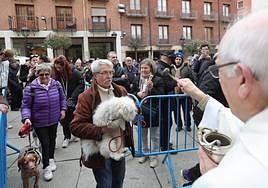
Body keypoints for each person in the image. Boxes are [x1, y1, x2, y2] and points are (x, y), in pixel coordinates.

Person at [177, 9, 268, 188]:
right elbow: (232, 120)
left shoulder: (224, 180)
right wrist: (197, 93)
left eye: (218, 69)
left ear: (242, 79)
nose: (217, 75)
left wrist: (213, 176)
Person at [70, 59, 134, 188]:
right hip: (99, 150)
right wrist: (102, 130)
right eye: (104, 73)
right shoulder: (86, 96)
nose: (109, 76)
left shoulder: (120, 91)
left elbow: (129, 116)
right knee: (105, 184)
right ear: (95, 75)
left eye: (111, 72)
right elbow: (76, 127)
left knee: (118, 182)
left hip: (120, 146)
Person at [21, 63, 67, 181]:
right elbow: (25, 106)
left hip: (54, 119)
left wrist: (63, 110)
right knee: (45, 143)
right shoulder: (31, 88)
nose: (45, 77)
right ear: (37, 75)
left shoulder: (56, 85)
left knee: (52, 140)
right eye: (41, 75)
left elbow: (62, 99)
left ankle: (51, 159)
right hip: (39, 122)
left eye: (47, 74)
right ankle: (46, 166)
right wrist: (26, 118)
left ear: (50, 73)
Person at [132, 58, 165, 168]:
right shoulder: (137, 79)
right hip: (140, 111)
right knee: (142, 135)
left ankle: (154, 156)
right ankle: (144, 153)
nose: (143, 70)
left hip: (153, 111)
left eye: (145, 68)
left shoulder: (158, 80)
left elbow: (161, 95)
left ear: (151, 68)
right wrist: (137, 93)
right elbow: (131, 92)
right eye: (141, 68)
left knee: (154, 136)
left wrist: (151, 89)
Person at [52, 55, 85, 148]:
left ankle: (74, 133)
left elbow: (81, 83)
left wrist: (73, 97)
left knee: (72, 117)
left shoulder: (74, 72)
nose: (58, 69)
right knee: (63, 119)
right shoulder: (56, 74)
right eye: (56, 67)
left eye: (59, 67)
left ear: (64, 66)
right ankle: (67, 137)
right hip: (62, 99)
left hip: (72, 98)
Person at [155, 51, 177, 151]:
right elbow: (166, 85)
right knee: (166, 123)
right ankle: (164, 145)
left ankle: (164, 143)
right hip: (163, 101)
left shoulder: (161, 66)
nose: (172, 61)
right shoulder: (161, 67)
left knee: (167, 123)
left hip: (165, 101)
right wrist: (176, 81)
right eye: (171, 59)